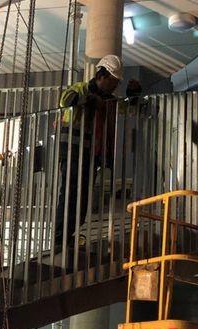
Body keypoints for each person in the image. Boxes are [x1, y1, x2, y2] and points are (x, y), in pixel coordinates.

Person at [54, 54, 143, 248]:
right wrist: (89, 99)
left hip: (92, 156)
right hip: (73, 153)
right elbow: (65, 100)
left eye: (118, 83)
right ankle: (60, 239)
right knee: (70, 196)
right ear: (101, 76)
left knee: (83, 201)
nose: (115, 86)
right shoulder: (80, 88)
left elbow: (127, 110)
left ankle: (68, 237)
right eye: (113, 81)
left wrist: (133, 95)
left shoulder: (109, 100)